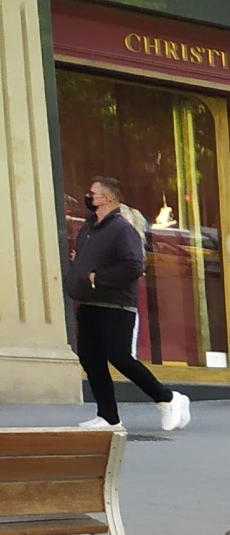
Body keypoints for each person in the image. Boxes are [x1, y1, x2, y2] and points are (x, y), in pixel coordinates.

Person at [66, 176, 188, 434]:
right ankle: (108, 417)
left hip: (117, 306)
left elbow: (134, 265)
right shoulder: (89, 229)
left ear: (106, 198)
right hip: (88, 303)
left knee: (120, 357)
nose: (88, 197)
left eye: (92, 193)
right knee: (90, 358)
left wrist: (98, 277)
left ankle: (167, 398)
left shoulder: (122, 229)